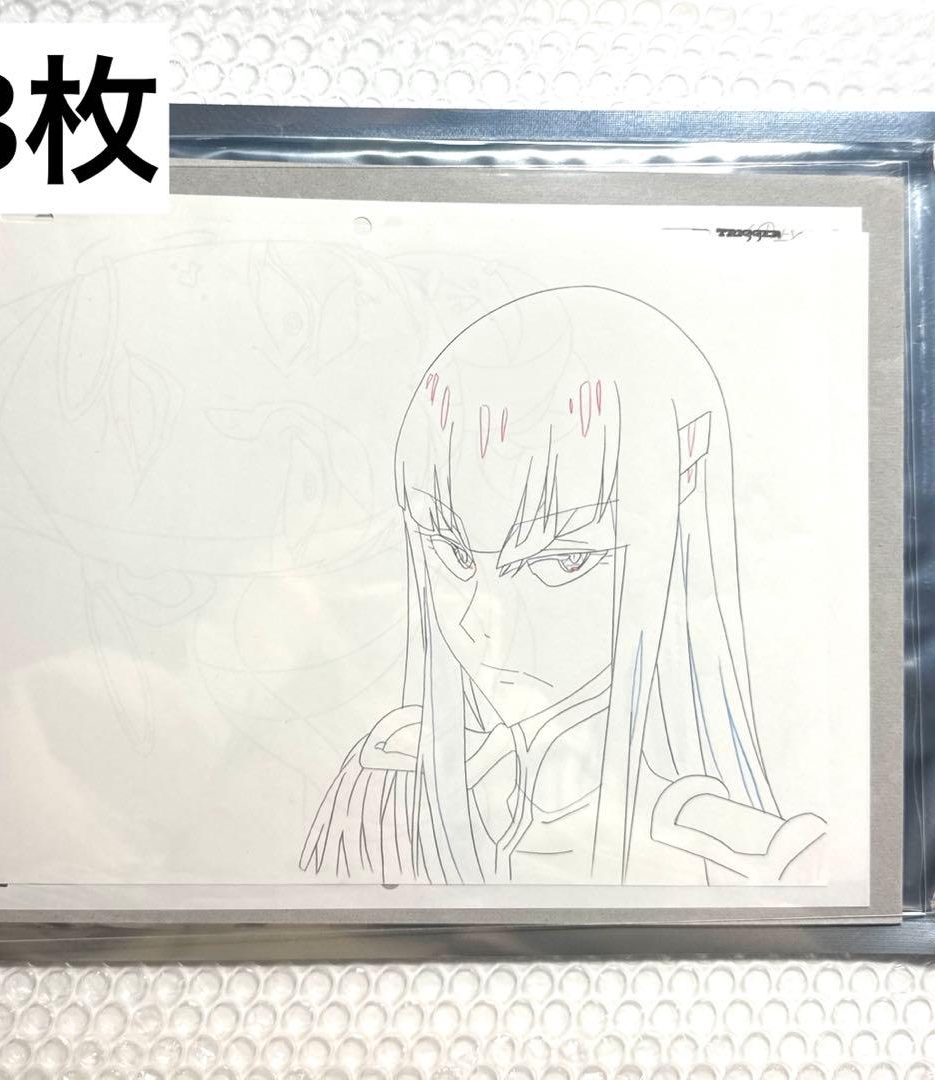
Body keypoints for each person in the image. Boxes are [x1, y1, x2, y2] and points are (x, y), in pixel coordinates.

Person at [300, 286, 825, 887]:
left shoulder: (748, 860)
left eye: (564, 559)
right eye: (454, 551)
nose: (482, 618)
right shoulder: (389, 783)